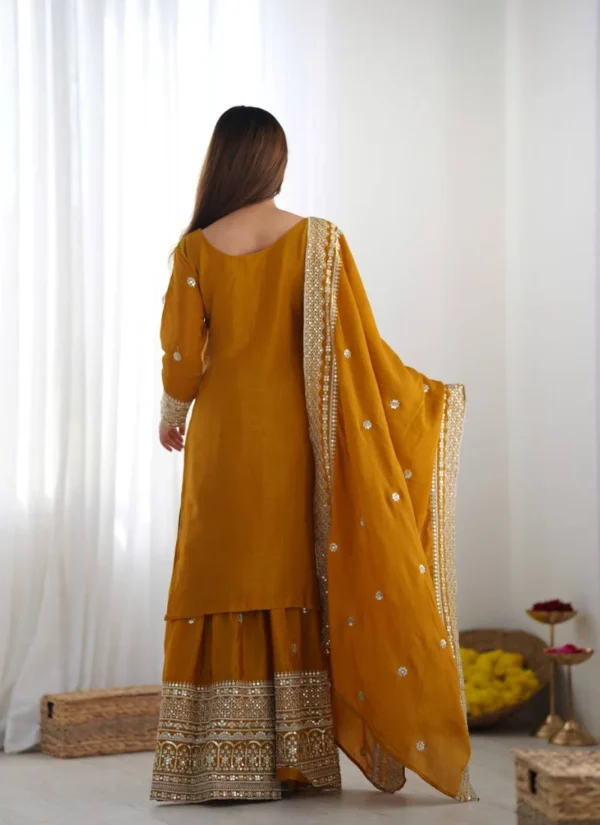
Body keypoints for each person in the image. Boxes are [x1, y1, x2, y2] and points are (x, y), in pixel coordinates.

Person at [150, 106, 476, 805]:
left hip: (221, 439)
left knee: (216, 570)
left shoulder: (195, 249)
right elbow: (359, 347)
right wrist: (424, 399)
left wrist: (172, 415)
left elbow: (182, 357)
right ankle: (293, 758)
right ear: (275, 163)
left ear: (220, 162)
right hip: (290, 434)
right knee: (285, 569)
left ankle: (213, 762)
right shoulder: (319, 241)